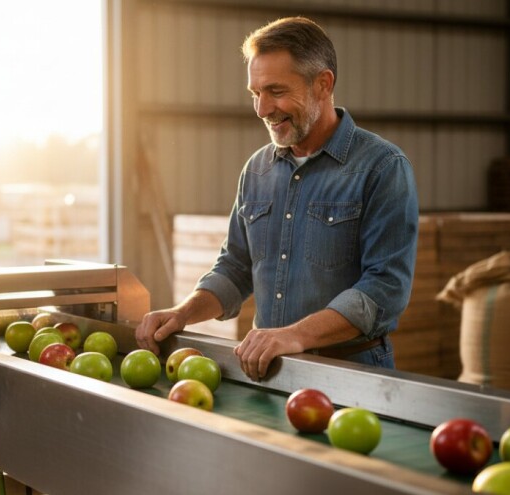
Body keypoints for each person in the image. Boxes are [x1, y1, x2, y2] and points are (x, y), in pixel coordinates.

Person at [135, 16, 418, 381]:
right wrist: (183, 313)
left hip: (353, 376)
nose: (262, 109)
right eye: (255, 93)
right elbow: (235, 268)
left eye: (276, 91)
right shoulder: (257, 171)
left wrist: (295, 336)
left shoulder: (382, 168)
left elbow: (385, 289)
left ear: (323, 84)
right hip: (272, 374)